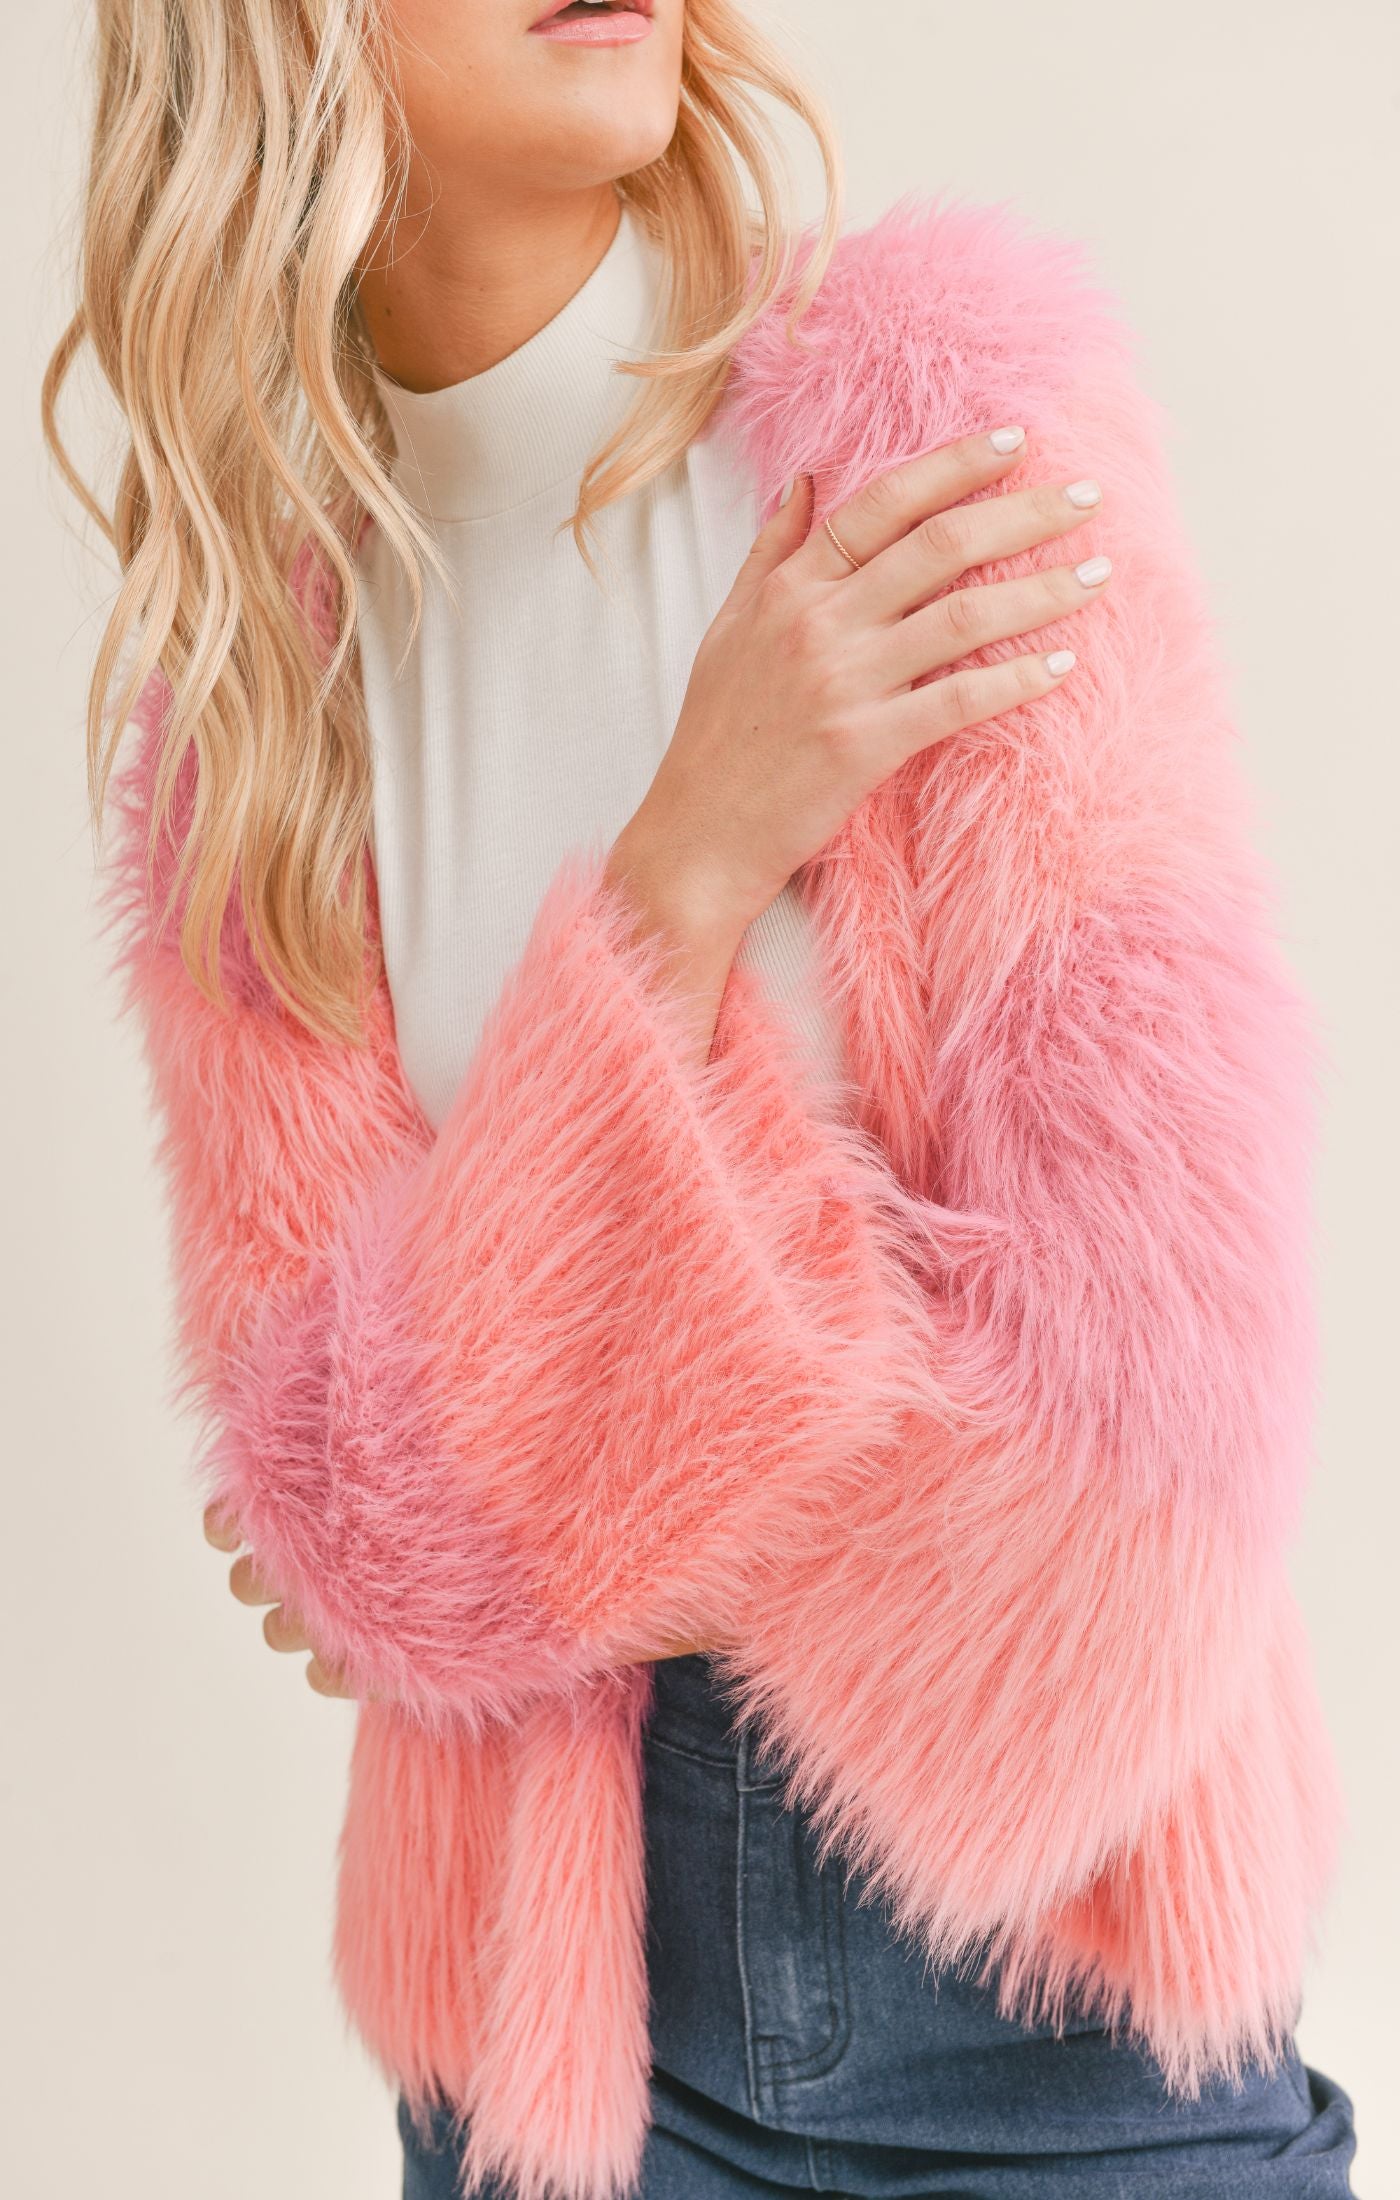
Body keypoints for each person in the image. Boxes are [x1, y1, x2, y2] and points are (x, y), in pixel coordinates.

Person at [46, 1, 1359, 2193]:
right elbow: (345, 1510)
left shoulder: (932, 434)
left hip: (1044, 1980)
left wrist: (519, 1490)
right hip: (553, 2035)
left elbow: (1148, 1441)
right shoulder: (262, 712)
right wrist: (679, 872)